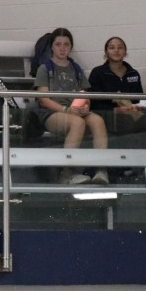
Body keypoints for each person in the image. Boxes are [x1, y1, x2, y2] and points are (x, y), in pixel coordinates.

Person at [33, 28, 109, 185]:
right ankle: (68, 172)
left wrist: (86, 106)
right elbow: (43, 99)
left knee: (98, 121)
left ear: (71, 47)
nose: (62, 48)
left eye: (66, 44)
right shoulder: (45, 68)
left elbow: (85, 94)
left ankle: (101, 170)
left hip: (75, 110)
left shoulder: (76, 68)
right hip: (53, 112)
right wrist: (65, 110)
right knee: (77, 123)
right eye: (58, 44)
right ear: (52, 47)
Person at [88, 37, 146, 138]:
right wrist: (115, 109)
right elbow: (94, 103)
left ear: (125, 52)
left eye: (120, 47)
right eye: (112, 48)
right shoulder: (97, 73)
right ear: (106, 52)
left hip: (132, 115)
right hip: (109, 117)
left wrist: (139, 107)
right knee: (127, 121)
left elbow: (138, 99)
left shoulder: (133, 73)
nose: (116, 50)